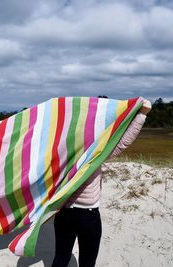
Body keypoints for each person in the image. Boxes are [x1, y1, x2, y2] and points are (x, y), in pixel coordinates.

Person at [52, 99, 152, 267]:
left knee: (61, 258)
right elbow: (122, 143)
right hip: (88, 216)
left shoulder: (59, 155)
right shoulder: (94, 155)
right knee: (87, 262)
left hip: (63, 214)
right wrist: (142, 115)